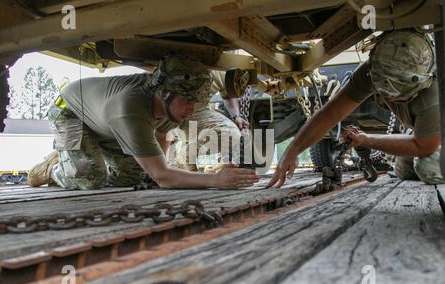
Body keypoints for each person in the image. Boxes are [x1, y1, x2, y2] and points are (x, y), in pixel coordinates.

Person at [27, 55, 260, 190]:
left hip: (108, 125)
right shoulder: (130, 109)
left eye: (196, 103)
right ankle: (54, 168)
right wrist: (215, 180)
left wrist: (161, 170)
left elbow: (161, 141)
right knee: (90, 178)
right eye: (188, 100)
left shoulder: (171, 108)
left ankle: (78, 156)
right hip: (72, 113)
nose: (192, 109)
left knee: (132, 178)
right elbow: (162, 176)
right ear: (165, 94)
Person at [268, 29, 444, 188]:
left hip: (431, 141)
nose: (390, 98)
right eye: (385, 92)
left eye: (397, 94)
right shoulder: (378, 69)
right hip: (430, 138)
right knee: (404, 167)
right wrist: (293, 149)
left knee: (426, 167)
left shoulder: (434, 96)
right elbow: (331, 114)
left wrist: (367, 140)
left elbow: (423, 146)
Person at [155, 70, 249, 172]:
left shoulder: (219, 72)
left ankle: (186, 155)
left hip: (198, 112)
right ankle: (180, 162)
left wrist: (236, 116)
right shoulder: (174, 66)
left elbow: (228, 94)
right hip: (169, 111)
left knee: (231, 134)